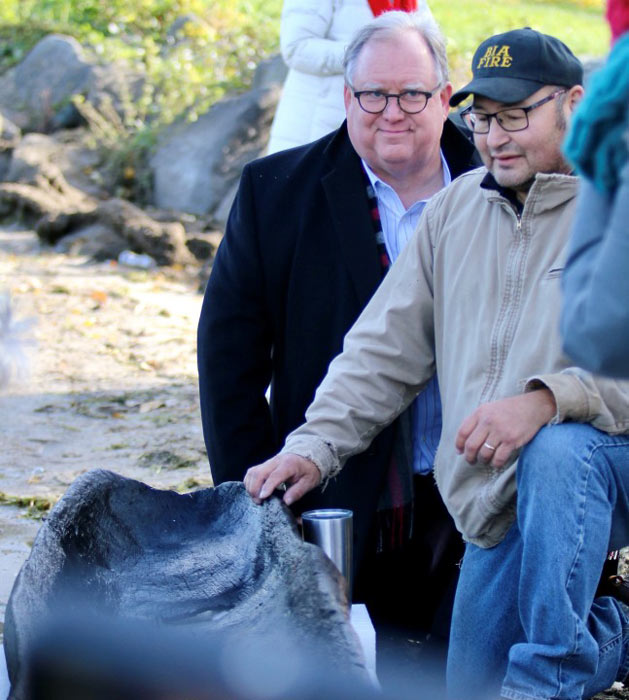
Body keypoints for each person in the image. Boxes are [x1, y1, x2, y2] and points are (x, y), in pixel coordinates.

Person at [244, 26, 629, 700]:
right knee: (470, 689)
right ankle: (615, 633)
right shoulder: (453, 213)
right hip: (493, 497)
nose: (494, 137)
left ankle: (550, 673)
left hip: (602, 464)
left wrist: (545, 399)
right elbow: (380, 351)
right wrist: (314, 445)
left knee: (558, 451)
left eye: (516, 117)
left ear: (573, 102)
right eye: (481, 119)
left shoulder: (617, 206)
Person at [197, 8, 480, 682]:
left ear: (444, 96)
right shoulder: (276, 194)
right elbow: (229, 361)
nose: (392, 112)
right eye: (372, 95)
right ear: (345, 98)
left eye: (411, 94)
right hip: (344, 500)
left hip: (476, 484)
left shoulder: (495, 181)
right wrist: (253, 507)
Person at [560, 0, 629, 378]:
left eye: (515, 115)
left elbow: (597, 335)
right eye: (483, 117)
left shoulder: (610, 115)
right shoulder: (456, 204)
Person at [266, 0, 424, 154]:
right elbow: (296, 48)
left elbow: (425, 41)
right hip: (314, 130)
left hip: (373, 125)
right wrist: (370, 55)